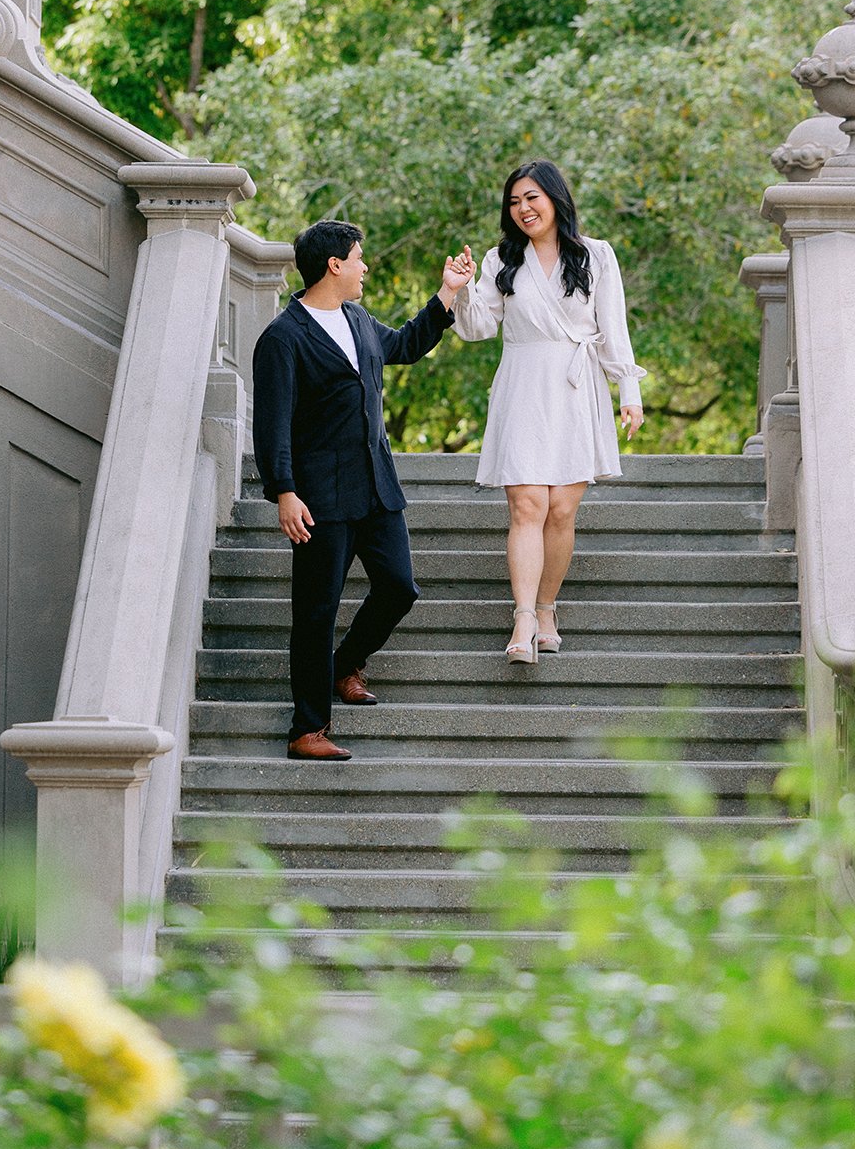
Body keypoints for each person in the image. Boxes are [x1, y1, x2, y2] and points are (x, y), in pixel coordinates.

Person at [252, 220, 456, 760]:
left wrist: (447, 294)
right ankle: (307, 729)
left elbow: (408, 345)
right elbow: (272, 424)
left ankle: (345, 665)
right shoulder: (283, 337)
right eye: (359, 258)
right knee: (315, 612)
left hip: (375, 488)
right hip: (318, 497)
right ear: (334, 265)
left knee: (400, 587)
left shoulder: (359, 319)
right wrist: (284, 491)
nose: (366, 267)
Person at [441, 161, 645, 664]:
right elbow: (477, 327)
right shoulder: (501, 259)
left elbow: (611, 324)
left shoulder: (595, 255)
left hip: (578, 387)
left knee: (561, 510)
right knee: (527, 505)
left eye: (531, 198)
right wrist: (461, 287)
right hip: (524, 384)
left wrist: (628, 390)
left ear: (555, 198)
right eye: (514, 202)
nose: (523, 209)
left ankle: (548, 605)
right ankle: (524, 617)